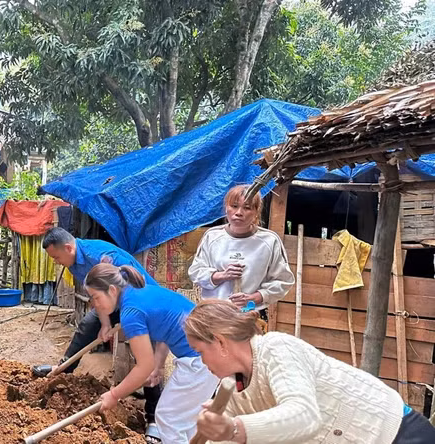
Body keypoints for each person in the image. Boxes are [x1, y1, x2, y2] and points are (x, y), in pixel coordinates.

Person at [185, 299, 435, 443]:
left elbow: (305, 415)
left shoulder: (276, 348)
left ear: (220, 342)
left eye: (200, 351)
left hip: (396, 434)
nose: (203, 362)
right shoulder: (232, 392)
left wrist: (233, 429)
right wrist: (215, 429)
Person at [32, 227, 165, 444]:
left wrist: (126, 319)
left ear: (68, 247)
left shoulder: (102, 257)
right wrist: (104, 323)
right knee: (88, 324)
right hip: (112, 302)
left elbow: (129, 288)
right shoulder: (74, 262)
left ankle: (154, 419)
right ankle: (63, 370)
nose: (56, 261)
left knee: (146, 358)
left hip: (142, 301)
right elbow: (98, 296)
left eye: (56, 257)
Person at [86, 263, 219, 443]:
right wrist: (158, 365)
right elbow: (167, 327)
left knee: (168, 418)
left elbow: (143, 366)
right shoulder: (141, 292)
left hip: (201, 360)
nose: (95, 305)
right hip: (210, 352)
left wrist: (114, 395)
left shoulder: (131, 313)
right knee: (185, 420)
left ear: (111, 290)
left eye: (95, 297)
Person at [188, 184, 294, 311]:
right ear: (226, 208)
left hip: (251, 313)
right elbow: (196, 273)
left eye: (247, 208)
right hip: (215, 312)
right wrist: (221, 275)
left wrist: (254, 298)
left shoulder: (269, 241)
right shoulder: (212, 237)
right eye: (234, 206)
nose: (239, 213)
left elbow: (283, 281)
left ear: (256, 212)